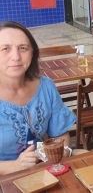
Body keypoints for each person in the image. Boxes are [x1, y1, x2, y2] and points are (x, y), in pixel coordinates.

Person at [0, 21, 76, 175]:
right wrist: (15, 166)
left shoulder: (45, 86)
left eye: (23, 48)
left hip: (44, 170)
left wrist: (62, 153)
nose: (16, 57)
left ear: (32, 53)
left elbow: (60, 134)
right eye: (5, 49)